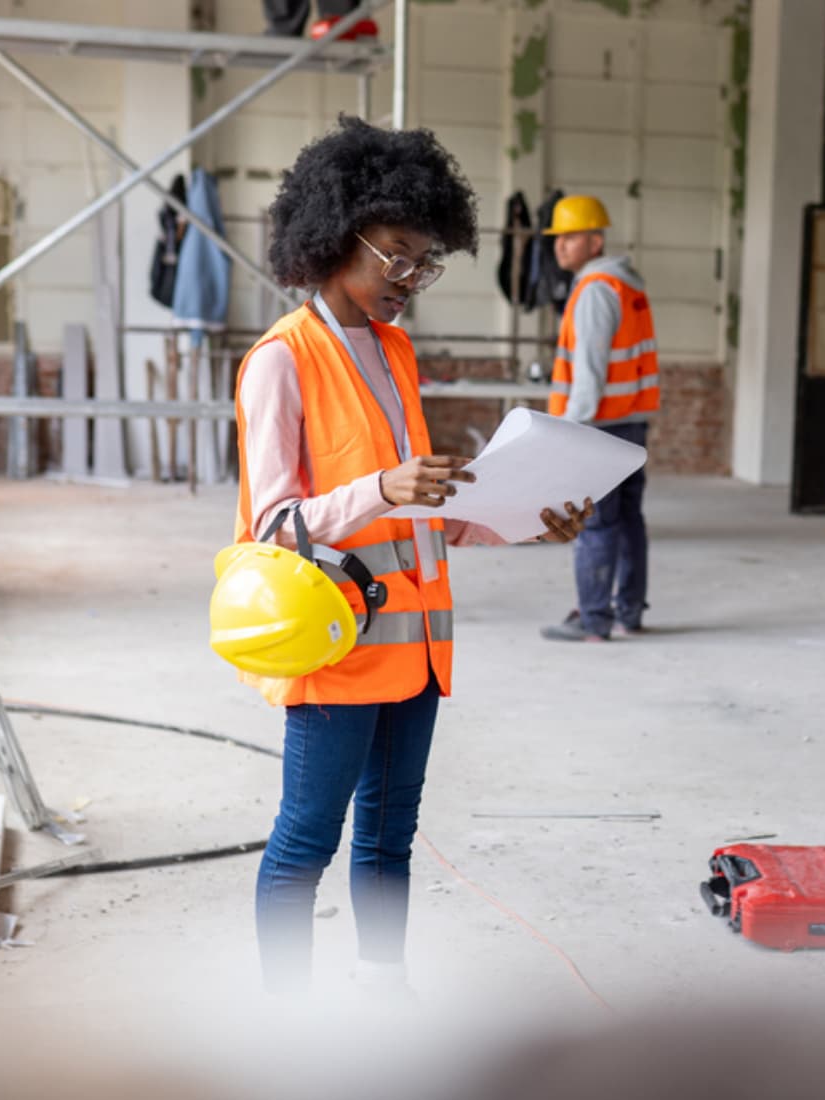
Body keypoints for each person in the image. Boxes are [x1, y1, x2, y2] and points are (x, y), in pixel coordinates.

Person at [233, 116, 591, 995]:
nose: (410, 280)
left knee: (389, 837)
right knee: (305, 842)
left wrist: (525, 522)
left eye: (424, 261)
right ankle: (282, 1018)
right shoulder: (280, 361)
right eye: (396, 254)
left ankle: (382, 991)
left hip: (419, 652)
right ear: (334, 236)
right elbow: (274, 526)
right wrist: (382, 489)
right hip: (340, 646)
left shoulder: (395, 353)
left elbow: (428, 502)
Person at [538, 195, 660, 642]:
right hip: (631, 422)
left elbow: (588, 372)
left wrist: (567, 431)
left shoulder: (593, 291)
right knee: (629, 521)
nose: (561, 247)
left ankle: (592, 620)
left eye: (570, 237)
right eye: (558, 238)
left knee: (596, 524)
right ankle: (629, 611)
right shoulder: (628, 286)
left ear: (596, 240)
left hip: (598, 426)